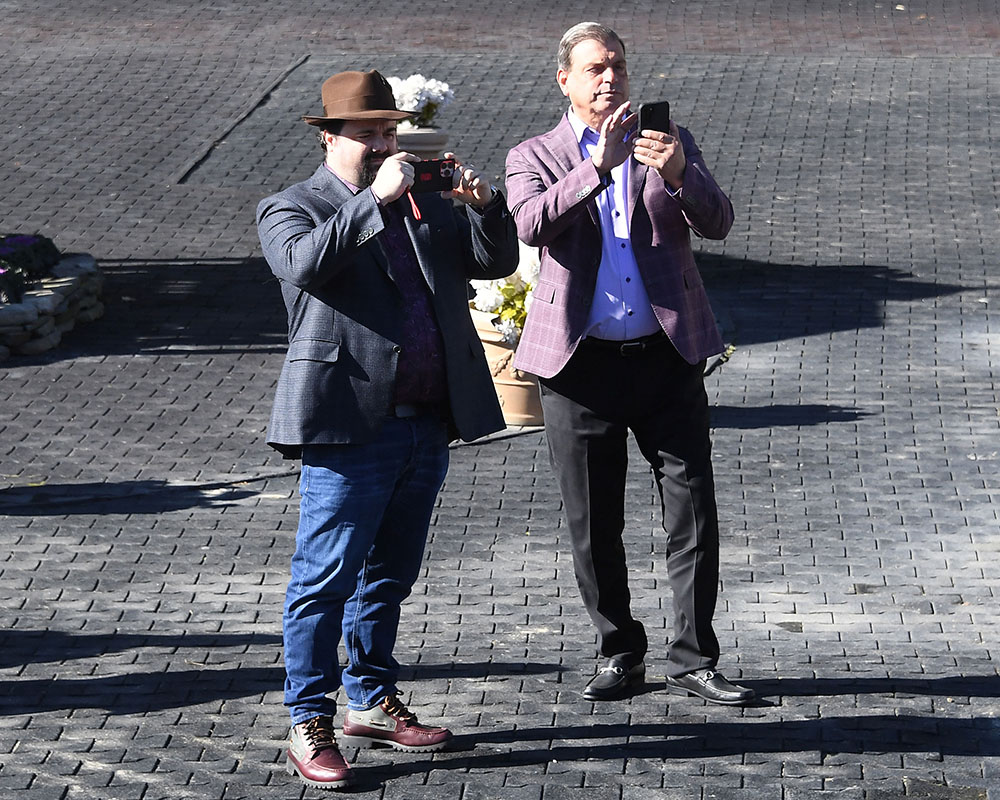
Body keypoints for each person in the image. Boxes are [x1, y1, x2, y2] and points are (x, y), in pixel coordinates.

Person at [257, 69, 519, 789]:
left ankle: (370, 701)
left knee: (390, 578)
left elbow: (495, 261)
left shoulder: (422, 205)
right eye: (367, 133)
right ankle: (308, 718)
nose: (382, 144)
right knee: (323, 581)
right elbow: (305, 266)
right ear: (330, 137)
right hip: (348, 429)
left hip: (426, 422)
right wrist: (375, 198)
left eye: (389, 132)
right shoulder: (291, 208)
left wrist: (484, 204)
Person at [505, 22, 754, 706]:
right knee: (594, 522)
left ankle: (695, 657)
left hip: (666, 359)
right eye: (594, 68)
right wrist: (598, 168)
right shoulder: (535, 153)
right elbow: (529, 224)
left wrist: (677, 175)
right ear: (565, 79)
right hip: (579, 369)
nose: (609, 78)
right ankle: (620, 651)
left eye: (616, 65)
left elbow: (719, 220)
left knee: (693, 512)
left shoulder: (667, 144)